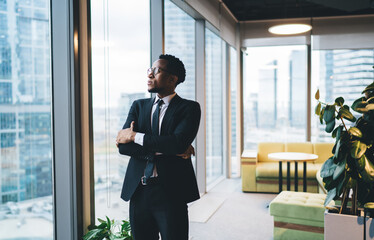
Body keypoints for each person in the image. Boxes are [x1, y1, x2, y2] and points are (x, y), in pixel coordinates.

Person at [116, 54, 201, 240]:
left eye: (156, 71)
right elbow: (124, 148)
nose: (150, 75)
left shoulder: (189, 108)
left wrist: (136, 136)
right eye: (149, 70)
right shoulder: (138, 106)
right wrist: (169, 147)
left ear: (172, 79)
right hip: (139, 191)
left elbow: (178, 143)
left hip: (171, 192)